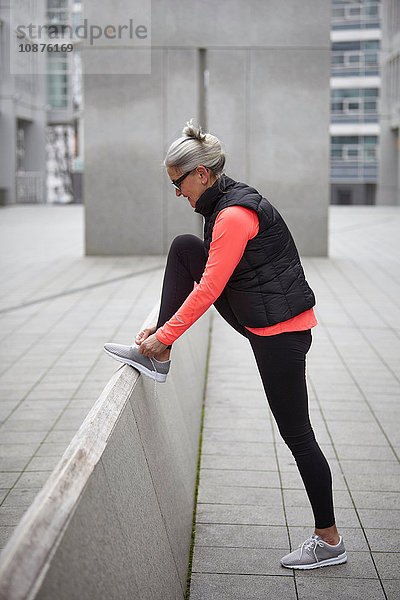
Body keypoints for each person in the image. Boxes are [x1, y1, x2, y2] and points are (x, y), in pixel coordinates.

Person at [104, 120, 347, 570]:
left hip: (280, 334)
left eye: (178, 183)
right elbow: (208, 274)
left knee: (297, 435)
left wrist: (164, 334)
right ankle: (159, 358)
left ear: (202, 174)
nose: (177, 193)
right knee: (183, 247)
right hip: (261, 316)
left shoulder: (233, 214)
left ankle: (329, 539)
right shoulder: (225, 201)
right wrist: (162, 334)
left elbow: (210, 288)